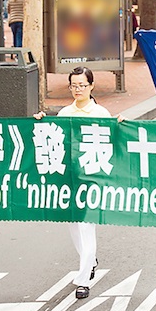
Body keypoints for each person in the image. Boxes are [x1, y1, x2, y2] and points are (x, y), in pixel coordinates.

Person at [34, 67, 108, 298]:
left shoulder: (101, 114)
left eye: (82, 85)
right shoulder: (65, 113)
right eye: (74, 85)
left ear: (91, 86)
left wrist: (122, 125)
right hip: (68, 180)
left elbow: (114, 143)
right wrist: (40, 123)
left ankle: (84, 279)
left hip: (92, 180)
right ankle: (90, 259)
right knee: (74, 226)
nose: (78, 90)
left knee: (86, 227)